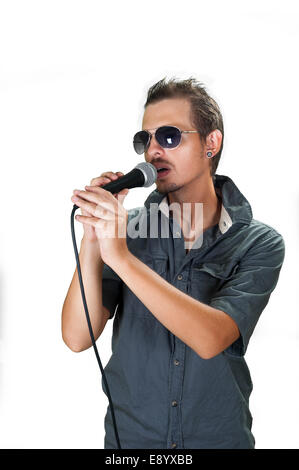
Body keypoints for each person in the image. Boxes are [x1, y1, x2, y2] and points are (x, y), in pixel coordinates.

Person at [61, 77, 285, 449]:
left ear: (210, 143)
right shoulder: (126, 230)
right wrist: (93, 238)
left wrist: (120, 255)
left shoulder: (259, 243)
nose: (152, 151)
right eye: (144, 139)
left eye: (168, 136)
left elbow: (211, 338)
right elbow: (76, 336)